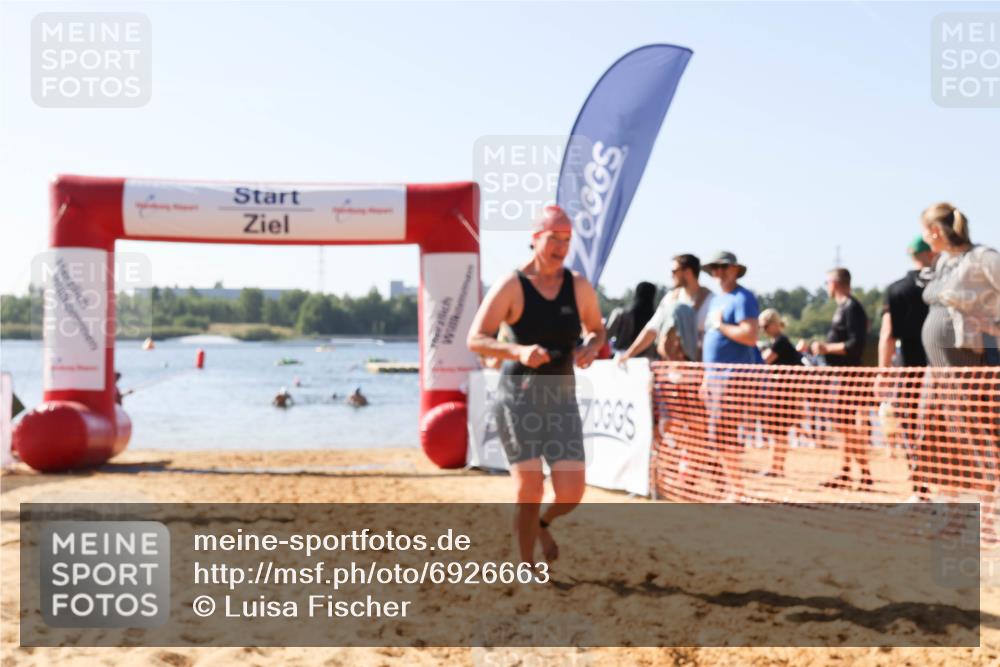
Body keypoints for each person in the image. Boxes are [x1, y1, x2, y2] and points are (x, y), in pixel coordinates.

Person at [467, 204, 606, 565]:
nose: (561, 247)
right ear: (535, 238)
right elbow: (475, 339)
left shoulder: (578, 286)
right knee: (530, 489)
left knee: (571, 492)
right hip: (518, 401)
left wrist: (591, 347)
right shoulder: (512, 285)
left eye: (567, 240)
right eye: (553, 238)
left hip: (561, 402)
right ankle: (526, 564)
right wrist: (518, 350)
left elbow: (597, 329)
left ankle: (542, 524)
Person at [917, 203, 999, 534]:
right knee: (936, 435)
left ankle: (989, 515)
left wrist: (993, 326)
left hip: (963, 363)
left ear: (935, 231)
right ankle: (953, 514)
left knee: (972, 433)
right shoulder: (944, 262)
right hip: (936, 366)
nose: (925, 239)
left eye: (925, 232)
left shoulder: (982, 258)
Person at [877, 236, 937, 501]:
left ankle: (920, 490)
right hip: (946, 369)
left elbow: (887, 334)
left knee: (911, 428)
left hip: (911, 372)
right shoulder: (945, 284)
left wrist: (883, 372)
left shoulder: (897, 289)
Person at [701, 251, 760, 500]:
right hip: (715, 378)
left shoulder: (743, 298)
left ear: (735, 269)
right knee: (719, 434)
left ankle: (737, 490)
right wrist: (706, 377)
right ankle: (734, 488)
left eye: (723, 267)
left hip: (733, 378)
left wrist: (721, 326)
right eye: (715, 268)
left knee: (725, 433)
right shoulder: (717, 300)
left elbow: (750, 335)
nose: (719, 273)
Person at [809, 268, 872, 490]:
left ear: (834, 283)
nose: (826, 286)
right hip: (841, 375)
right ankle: (847, 472)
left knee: (846, 426)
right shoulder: (844, 307)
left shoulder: (852, 307)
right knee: (844, 425)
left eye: (827, 282)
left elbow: (855, 345)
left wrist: (826, 348)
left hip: (849, 376)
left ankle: (864, 471)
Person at [618, 254, 713, 363]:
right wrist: (629, 354)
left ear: (688, 272)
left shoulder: (710, 300)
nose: (671, 276)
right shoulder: (671, 298)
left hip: (699, 366)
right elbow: (651, 330)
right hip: (671, 365)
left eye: (674, 271)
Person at [757, 309, 802, 478]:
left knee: (779, 431)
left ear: (774, 324)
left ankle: (776, 467)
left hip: (785, 394)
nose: (763, 330)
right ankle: (776, 466)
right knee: (778, 431)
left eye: (765, 326)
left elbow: (764, 361)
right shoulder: (779, 341)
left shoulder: (781, 342)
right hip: (783, 393)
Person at [605, 282, 657, 357]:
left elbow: (607, 335)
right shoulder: (655, 319)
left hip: (621, 356)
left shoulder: (621, 313)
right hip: (645, 359)